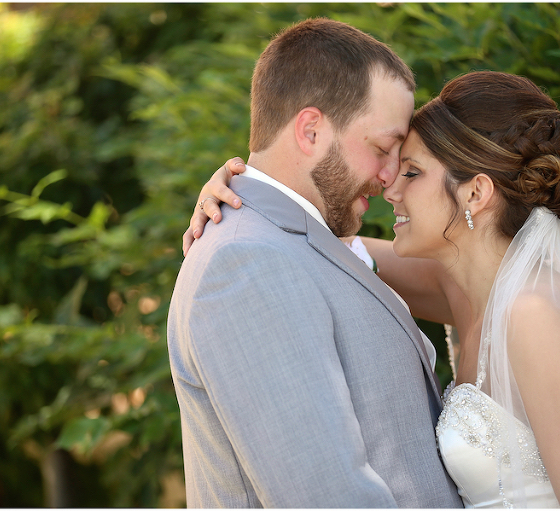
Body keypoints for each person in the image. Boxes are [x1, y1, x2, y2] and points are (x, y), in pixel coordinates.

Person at [186, 71, 560, 508]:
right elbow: (313, 245)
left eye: (412, 173)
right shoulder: (462, 289)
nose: (390, 187)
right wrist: (248, 193)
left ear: (475, 192)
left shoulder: (541, 315)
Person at [167, 18, 463, 508]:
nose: (391, 176)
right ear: (310, 131)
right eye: (382, 148)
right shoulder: (246, 264)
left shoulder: (293, 244)